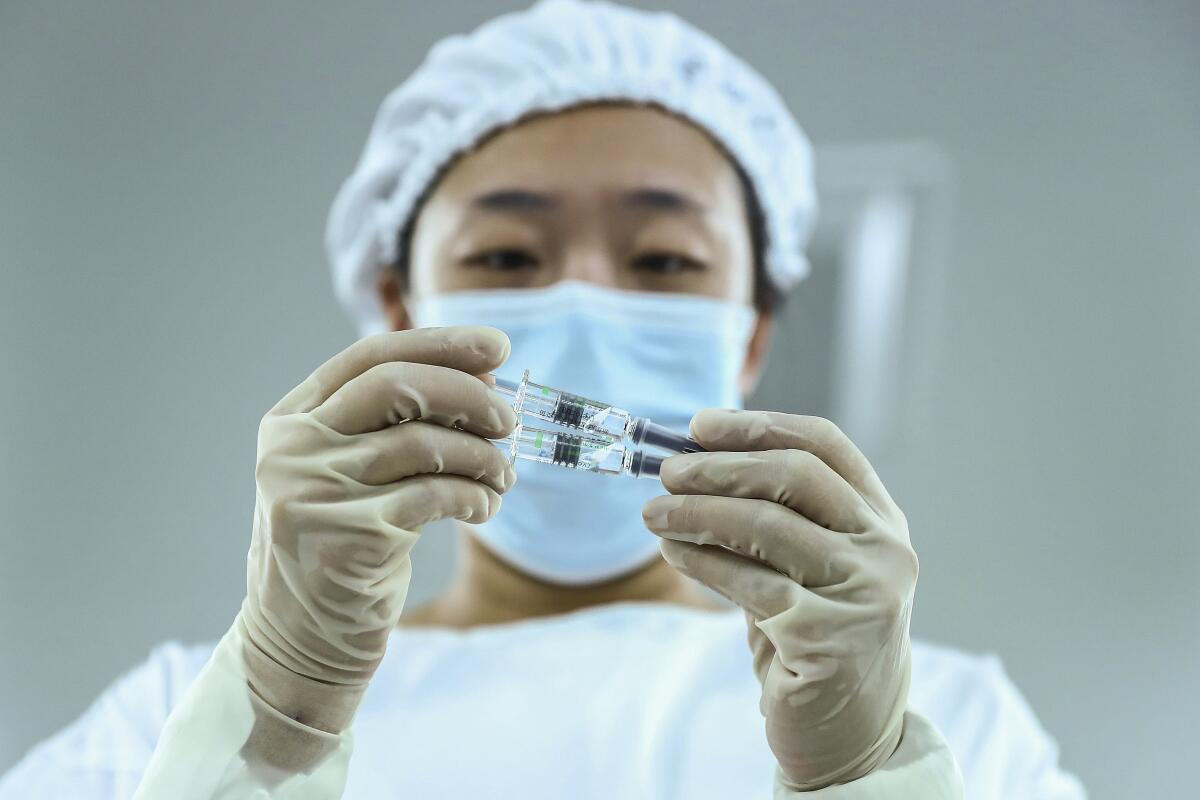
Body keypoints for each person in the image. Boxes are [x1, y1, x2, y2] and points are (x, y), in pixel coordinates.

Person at [0, 1, 1086, 798]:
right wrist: (275, 722)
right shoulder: (169, 714)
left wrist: (870, 772)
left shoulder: (954, 719)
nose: (582, 306)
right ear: (396, 306)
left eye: (663, 260)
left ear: (752, 331)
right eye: (508, 252)